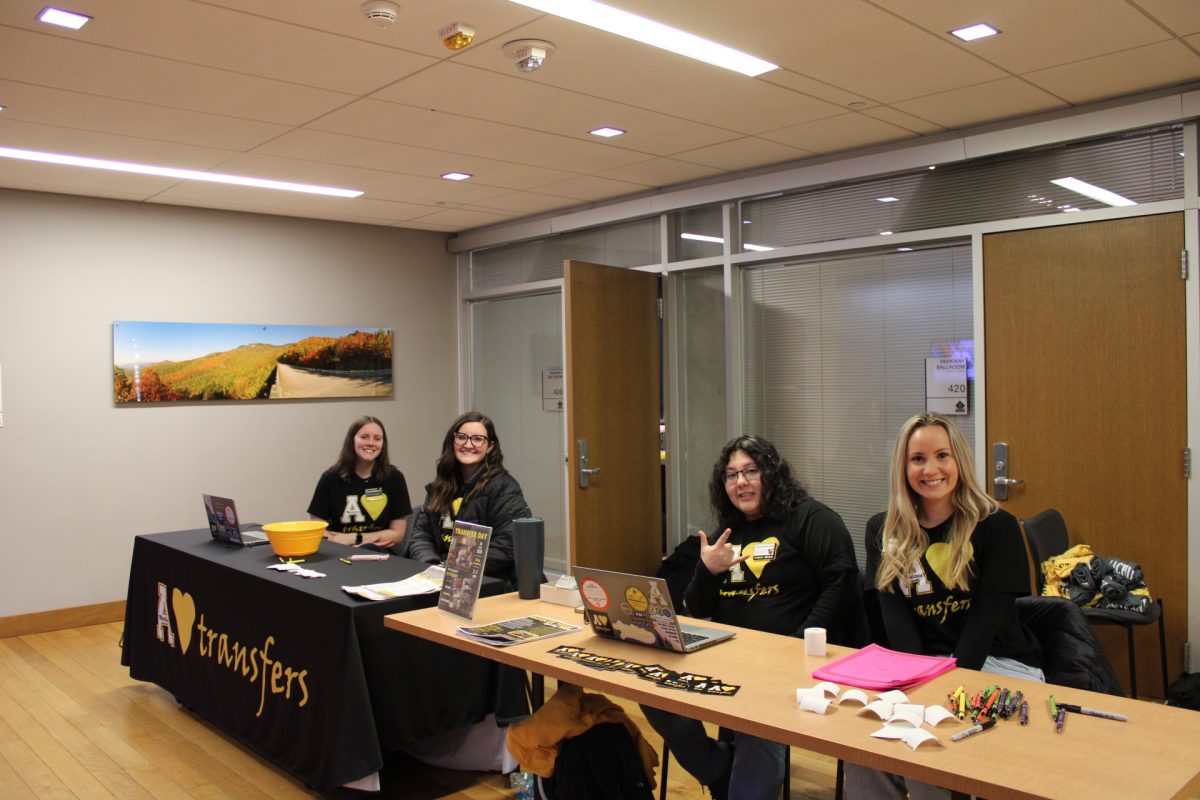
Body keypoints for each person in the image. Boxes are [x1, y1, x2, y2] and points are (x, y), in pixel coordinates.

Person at [641, 435, 866, 800]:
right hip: (730, 655)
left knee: (755, 707)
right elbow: (696, 608)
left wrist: (796, 647)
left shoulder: (813, 519)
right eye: (731, 475)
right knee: (649, 686)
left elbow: (840, 585)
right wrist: (707, 570)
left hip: (792, 660)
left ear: (773, 475)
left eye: (750, 471)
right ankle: (716, 768)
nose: (740, 482)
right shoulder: (730, 531)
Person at [845, 413, 1043, 799]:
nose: (930, 468)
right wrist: (918, 688)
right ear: (903, 466)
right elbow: (895, 622)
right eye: (917, 458)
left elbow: (985, 625)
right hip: (919, 667)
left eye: (942, 456)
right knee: (864, 750)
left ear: (959, 462)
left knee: (925, 752)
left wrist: (937, 695)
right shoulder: (883, 529)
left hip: (996, 663)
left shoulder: (996, 525)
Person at [408, 412, 531, 589]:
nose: (468, 444)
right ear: (453, 440)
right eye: (462, 437)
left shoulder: (504, 488)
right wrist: (433, 566)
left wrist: (457, 569)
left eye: (478, 439)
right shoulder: (441, 485)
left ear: (490, 446)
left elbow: (508, 544)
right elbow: (421, 535)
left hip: (488, 582)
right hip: (439, 579)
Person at [307, 416, 411, 549]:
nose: (371, 443)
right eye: (364, 437)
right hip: (338, 552)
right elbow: (317, 529)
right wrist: (339, 542)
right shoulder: (330, 478)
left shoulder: (395, 478)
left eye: (377, 439)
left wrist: (354, 538)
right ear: (352, 441)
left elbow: (397, 534)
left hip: (379, 554)